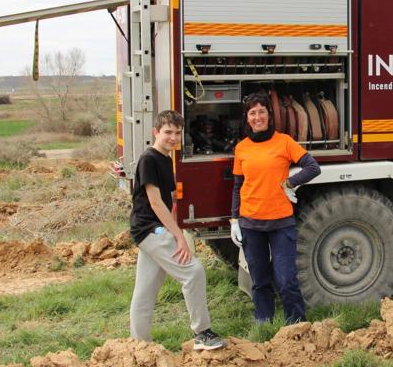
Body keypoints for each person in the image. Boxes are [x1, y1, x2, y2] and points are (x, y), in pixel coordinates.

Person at [129, 110, 225, 350]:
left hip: (151, 230)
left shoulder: (164, 158)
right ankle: (202, 333)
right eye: (168, 132)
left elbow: (169, 201)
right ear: (155, 132)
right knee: (193, 272)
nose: (173, 137)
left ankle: (139, 346)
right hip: (150, 230)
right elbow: (155, 202)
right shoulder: (149, 159)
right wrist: (178, 236)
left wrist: (176, 229)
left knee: (145, 291)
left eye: (178, 133)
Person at [231, 92, 321, 324]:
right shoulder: (242, 148)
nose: (257, 117)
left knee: (286, 279)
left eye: (262, 111)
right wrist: (234, 220)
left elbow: (312, 167)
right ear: (247, 118)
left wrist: (291, 182)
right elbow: (238, 186)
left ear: (269, 116)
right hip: (250, 223)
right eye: (253, 113)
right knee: (259, 280)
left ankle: (296, 323)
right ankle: (263, 321)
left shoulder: (284, 142)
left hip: (281, 222)